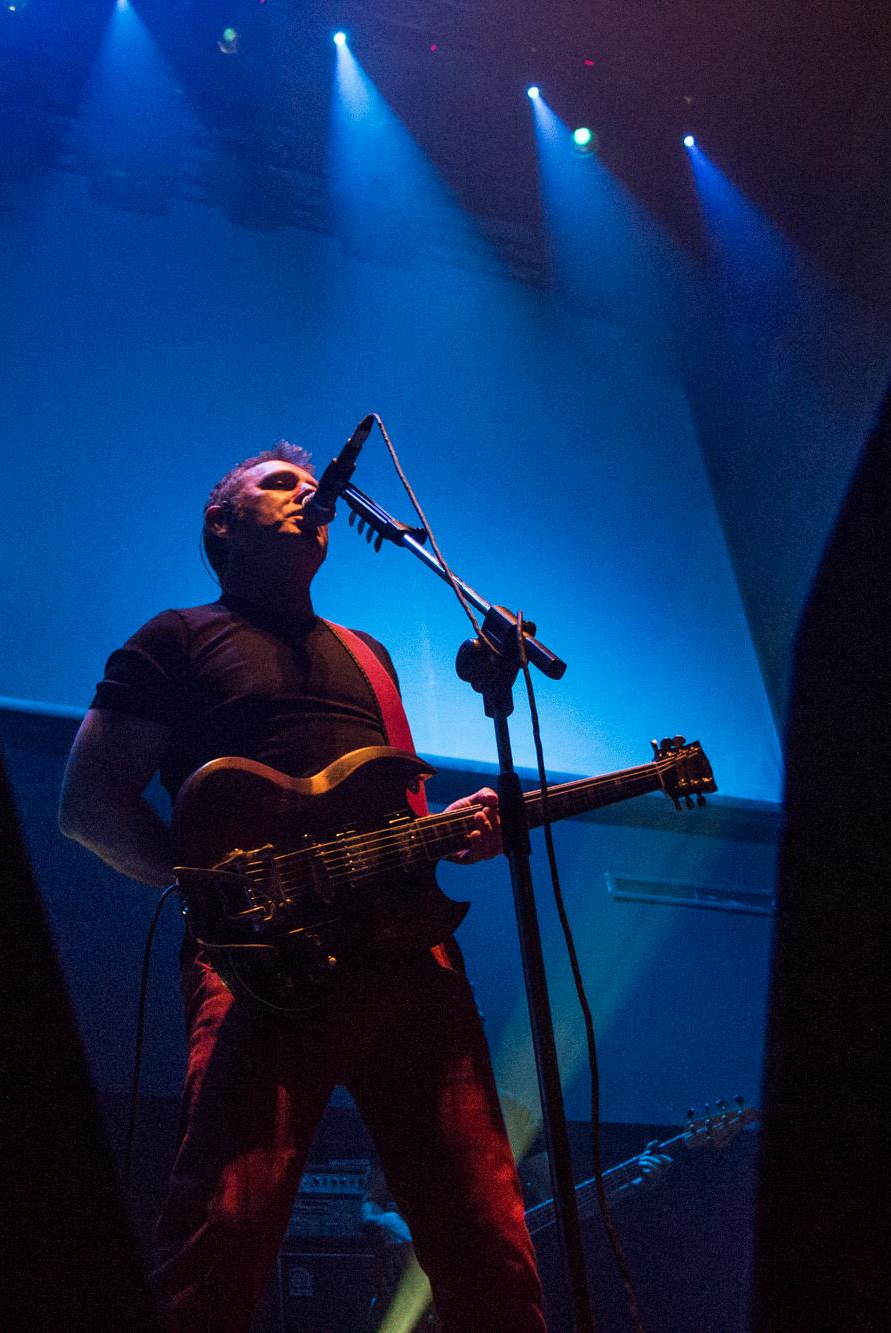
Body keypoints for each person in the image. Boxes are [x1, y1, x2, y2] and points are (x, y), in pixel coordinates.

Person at [59, 442, 547, 1332]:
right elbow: (88, 800)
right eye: (280, 484)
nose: (309, 495)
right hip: (263, 967)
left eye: (315, 487)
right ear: (222, 522)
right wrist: (215, 891)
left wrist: (453, 834)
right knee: (224, 1225)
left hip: (409, 963)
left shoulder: (370, 654)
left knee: (488, 1236)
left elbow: (397, 810)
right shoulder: (177, 636)